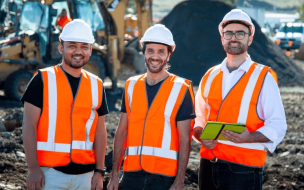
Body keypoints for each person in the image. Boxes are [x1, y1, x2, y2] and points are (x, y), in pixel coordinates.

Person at [193, 9, 287, 190]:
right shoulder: (210, 76)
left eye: (240, 33)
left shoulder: (263, 77)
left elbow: (278, 125)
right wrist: (200, 136)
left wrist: (250, 137)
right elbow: (198, 120)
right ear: (222, 38)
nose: (233, 38)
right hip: (208, 167)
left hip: (244, 170)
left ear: (249, 39)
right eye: (228, 33)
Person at [107, 24, 195, 190]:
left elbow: (185, 139)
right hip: (131, 175)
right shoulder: (131, 85)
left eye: (161, 51)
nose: (155, 56)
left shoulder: (182, 88)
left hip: (164, 178)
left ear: (169, 54)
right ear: (144, 52)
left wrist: (179, 181)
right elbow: (122, 131)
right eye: (150, 50)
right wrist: (114, 175)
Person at [22, 19, 107, 190]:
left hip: (85, 176)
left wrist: (99, 171)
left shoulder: (96, 84)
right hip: (49, 174)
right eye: (72, 45)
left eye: (84, 46)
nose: (78, 51)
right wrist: (33, 169)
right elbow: (29, 125)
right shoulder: (42, 79)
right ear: (61, 48)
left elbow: (100, 130)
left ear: (90, 50)